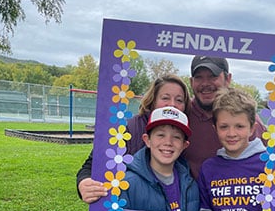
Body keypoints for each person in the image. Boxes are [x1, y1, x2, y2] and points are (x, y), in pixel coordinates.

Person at [76, 74, 191, 204]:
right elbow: (92, 165)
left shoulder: (185, 131)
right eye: (165, 98)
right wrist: (84, 183)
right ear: (153, 100)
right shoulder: (127, 129)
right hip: (129, 209)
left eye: (179, 100)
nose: (172, 104)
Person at [185, 55, 265, 179]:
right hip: (193, 197)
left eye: (212, 76)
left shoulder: (248, 118)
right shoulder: (182, 115)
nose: (205, 83)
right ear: (191, 82)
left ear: (228, 79)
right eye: (199, 77)